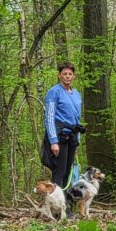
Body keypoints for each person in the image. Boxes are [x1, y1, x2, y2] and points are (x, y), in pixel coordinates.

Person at [40, 62, 84, 201]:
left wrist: (77, 140)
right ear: (59, 75)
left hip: (72, 136)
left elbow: (77, 119)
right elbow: (49, 118)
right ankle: (56, 204)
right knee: (59, 172)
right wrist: (53, 141)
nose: (67, 76)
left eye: (70, 74)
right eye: (65, 74)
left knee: (68, 172)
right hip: (59, 136)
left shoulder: (76, 94)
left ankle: (65, 205)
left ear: (74, 76)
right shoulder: (54, 92)